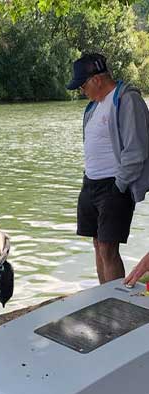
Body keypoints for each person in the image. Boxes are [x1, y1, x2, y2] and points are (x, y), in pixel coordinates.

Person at [67, 53, 149, 283]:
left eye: (83, 85)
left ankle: (114, 306)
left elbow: (137, 150)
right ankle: (103, 297)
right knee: (97, 244)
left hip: (114, 185)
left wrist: (119, 186)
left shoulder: (127, 100)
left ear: (97, 80)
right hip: (90, 183)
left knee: (107, 248)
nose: (82, 91)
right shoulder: (94, 106)